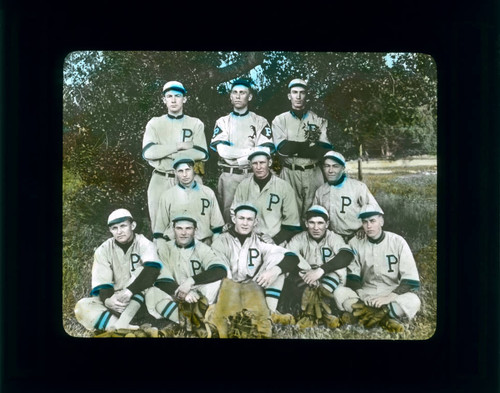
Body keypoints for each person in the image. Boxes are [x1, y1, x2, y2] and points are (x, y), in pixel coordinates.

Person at [333, 204, 421, 333]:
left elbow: (410, 280)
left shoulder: (398, 241)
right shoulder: (354, 243)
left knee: (414, 300)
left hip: (391, 292)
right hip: (365, 294)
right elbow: (353, 277)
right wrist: (362, 294)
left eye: (372, 221)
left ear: (381, 221)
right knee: (339, 292)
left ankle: (368, 315)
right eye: (365, 222)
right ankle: (384, 318)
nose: (369, 226)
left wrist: (388, 298)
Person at [74, 209, 162, 331]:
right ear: (110, 230)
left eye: (123, 226)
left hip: (140, 299)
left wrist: (129, 292)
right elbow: (103, 283)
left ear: (133, 225)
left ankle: (120, 328)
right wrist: (108, 301)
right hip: (117, 302)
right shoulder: (103, 250)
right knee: (82, 306)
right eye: (114, 228)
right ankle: (125, 328)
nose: (119, 231)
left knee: (145, 280)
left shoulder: (144, 243)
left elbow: (152, 270)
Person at [210, 203, 302, 320]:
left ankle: (269, 314)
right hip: (228, 290)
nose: (245, 223)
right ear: (234, 219)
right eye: (241, 218)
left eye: (249, 219)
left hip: (253, 289)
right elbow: (221, 274)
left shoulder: (260, 241)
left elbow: (292, 257)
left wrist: (274, 271)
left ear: (255, 222)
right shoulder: (221, 241)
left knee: (277, 260)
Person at [142, 81, 209, 231]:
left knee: (194, 225)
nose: (173, 100)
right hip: (161, 178)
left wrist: (164, 152)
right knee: (161, 227)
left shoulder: (195, 123)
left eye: (177, 96)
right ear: (164, 100)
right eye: (169, 96)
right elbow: (148, 153)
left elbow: (202, 153)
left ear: (184, 99)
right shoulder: (155, 123)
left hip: (189, 179)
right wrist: (179, 146)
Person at [145, 216, 228, 333]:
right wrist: (182, 292)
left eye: (188, 228)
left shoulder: (202, 248)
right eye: (179, 228)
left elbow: (220, 270)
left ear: (195, 230)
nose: (183, 233)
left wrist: (191, 282)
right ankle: (196, 323)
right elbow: (160, 278)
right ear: (173, 230)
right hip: (173, 292)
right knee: (151, 293)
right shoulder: (165, 248)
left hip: (197, 294)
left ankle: (185, 320)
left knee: (218, 283)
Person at [209, 78, 275, 222]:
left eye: (242, 93)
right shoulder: (223, 121)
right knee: (229, 218)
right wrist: (252, 151)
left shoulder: (260, 121)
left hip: (253, 176)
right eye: (235, 92)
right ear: (231, 96)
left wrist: (237, 157)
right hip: (229, 177)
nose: (238, 96)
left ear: (249, 96)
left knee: (255, 216)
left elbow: (265, 151)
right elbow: (223, 151)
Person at [280, 205, 355, 328]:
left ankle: (309, 316)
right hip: (306, 279)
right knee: (297, 271)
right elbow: (287, 257)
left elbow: (346, 255)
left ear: (327, 224)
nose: (316, 228)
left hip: (328, 280)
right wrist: (309, 275)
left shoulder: (333, 237)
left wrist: (321, 270)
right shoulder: (299, 238)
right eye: (312, 223)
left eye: (320, 223)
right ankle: (324, 315)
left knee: (337, 270)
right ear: (306, 223)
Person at [272, 78, 333, 219]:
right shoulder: (280, 120)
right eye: (294, 92)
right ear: (289, 96)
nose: (298, 96)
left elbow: (324, 149)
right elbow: (282, 149)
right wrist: (310, 146)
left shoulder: (318, 119)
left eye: (302, 92)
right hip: (290, 171)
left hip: (313, 172)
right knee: (289, 214)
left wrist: (295, 147)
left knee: (316, 213)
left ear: (307, 96)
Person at [230, 147, 302, 246]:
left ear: (270, 162)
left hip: (274, 241)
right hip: (247, 240)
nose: (259, 167)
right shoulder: (243, 185)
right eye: (255, 163)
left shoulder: (284, 187)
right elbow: (234, 215)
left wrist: (276, 240)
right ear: (250, 165)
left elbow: (292, 223)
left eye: (262, 162)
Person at [312, 150, 382, 242]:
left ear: (343, 168)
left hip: (356, 237)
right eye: (327, 166)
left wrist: (363, 228)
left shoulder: (358, 187)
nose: (330, 170)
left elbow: (374, 211)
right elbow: (315, 216)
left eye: (335, 166)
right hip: (331, 239)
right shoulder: (320, 191)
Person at [153, 158, 224, 245]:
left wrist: (214, 248)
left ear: (193, 170)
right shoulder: (167, 195)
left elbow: (217, 227)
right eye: (180, 171)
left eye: (187, 170)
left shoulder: (208, 192)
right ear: (175, 173)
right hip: (175, 244)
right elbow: (159, 231)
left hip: (203, 243)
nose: (185, 174)